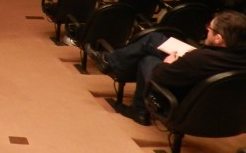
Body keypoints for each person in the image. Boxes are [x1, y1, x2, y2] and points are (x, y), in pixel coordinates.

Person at [87, 10, 246, 125]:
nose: (206, 31)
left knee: (147, 59)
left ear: (218, 38)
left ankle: (138, 109)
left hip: (177, 100)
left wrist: (168, 63)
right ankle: (111, 61)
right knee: (154, 39)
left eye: (209, 29)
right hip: (216, 108)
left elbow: (159, 76)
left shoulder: (201, 59)